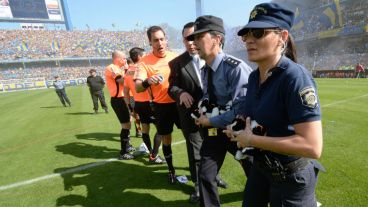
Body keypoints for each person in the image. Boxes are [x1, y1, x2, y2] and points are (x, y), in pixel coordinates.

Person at [225, 3, 325, 206]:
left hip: (292, 177)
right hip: (262, 167)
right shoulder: (254, 77)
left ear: (283, 37)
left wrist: (251, 140)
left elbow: (312, 146)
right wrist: (239, 124)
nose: (249, 40)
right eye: (245, 34)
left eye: (258, 32)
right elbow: (254, 114)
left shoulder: (295, 77)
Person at [186, 15, 253, 207]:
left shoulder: (235, 68)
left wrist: (211, 121)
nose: (194, 43)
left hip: (238, 131)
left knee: (255, 174)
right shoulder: (206, 68)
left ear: (217, 39)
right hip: (215, 132)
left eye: (199, 37)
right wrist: (202, 111)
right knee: (206, 176)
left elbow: (242, 109)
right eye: (192, 39)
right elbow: (209, 96)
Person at [168, 22, 228, 203]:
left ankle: (212, 177)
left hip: (213, 115)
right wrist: (181, 93)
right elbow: (171, 88)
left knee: (213, 147)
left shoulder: (213, 57)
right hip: (190, 116)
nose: (191, 42)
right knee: (195, 149)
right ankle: (197, 185)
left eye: (195, 37)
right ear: (183, 40)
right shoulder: (176, 63)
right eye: (187, 38)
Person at [135, 26, 180, 183]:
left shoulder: (176, 57)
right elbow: (138, 87)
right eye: (155, 40)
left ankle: (201, 172)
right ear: (150, 42)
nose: (160, 43)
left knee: (194, 137)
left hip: (181, 103)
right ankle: (171, 170)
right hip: (162, 107)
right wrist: (148, 81)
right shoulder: (143, 62)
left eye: (162, 39)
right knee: (166, 139)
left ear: (166, 39)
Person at [125, 47, 165, 164]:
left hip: (138, 104)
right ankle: (154, 155)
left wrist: (131, 108)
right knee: (162, 130)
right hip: (150, 104)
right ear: (138, 56)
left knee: (145, 131)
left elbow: (126, 93)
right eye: (143, 55)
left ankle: (152, 152)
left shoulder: (128, 72)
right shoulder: (144, 67)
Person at [105, 50, 135, 160]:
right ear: (117, 58)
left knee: (129, 122)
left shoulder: (119, 69)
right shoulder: (111, 67)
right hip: (118, 100)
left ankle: (127, 146)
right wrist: (130, 69)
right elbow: (122, 81)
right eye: (123, 58)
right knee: (126, 125)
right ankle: (123, 152)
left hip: (124, 98)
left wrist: (128, 69)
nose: (125, 60)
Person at [125, 57, 143, 137]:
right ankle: (138, 131)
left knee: (132, 115)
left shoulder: (126, 71)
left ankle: (128, 132)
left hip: (129, 96)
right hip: (134, 95)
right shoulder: (134, 69)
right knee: (136, 115)